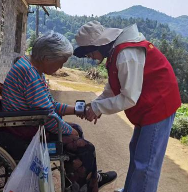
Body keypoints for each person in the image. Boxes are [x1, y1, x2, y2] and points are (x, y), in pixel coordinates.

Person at [2, 31, 117, 192]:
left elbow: (50, 105)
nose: (61, 67)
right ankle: (86, 186)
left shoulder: (32, 68)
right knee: (85, 147)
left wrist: (79, 110)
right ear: (47, 58)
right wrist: (68, 130)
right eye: (61, 62)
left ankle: (79, 181)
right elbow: (48, 116)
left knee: (76, 131)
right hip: (25, 129)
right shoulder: (30, 74)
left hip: (29, 122)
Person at [73, 21, 181, 192]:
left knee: (146, 163)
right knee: (137, 151)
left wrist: (98, 108)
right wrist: (95, 105)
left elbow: (129, 98)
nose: (91, 58)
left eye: (89, 53)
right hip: (148, 104)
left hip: (159, 105)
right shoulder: (115, 52)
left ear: (99, 45)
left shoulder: (126, 54)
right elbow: (112, 88)